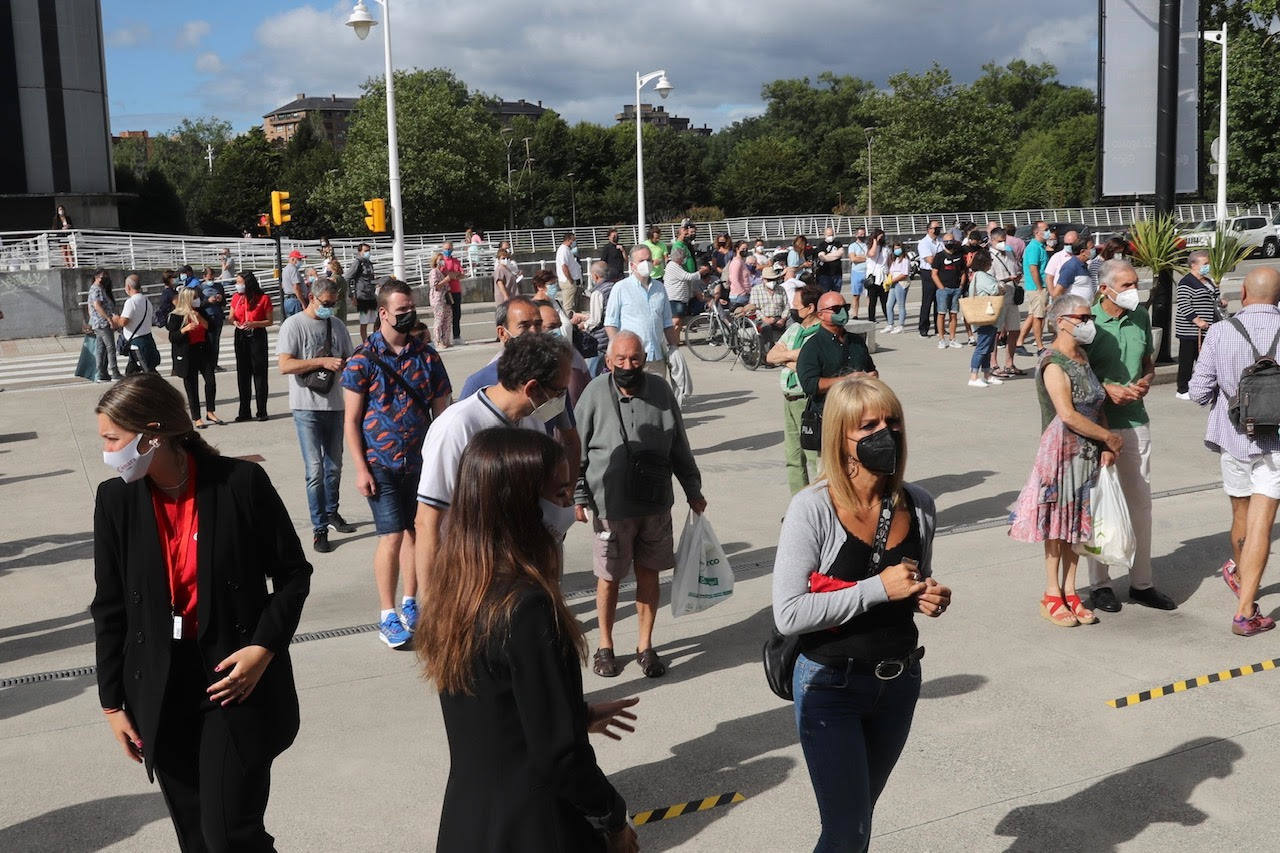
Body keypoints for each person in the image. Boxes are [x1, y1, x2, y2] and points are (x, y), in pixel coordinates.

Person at [91, 373, 311, 851]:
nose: (106, 451)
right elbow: (109, 608)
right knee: (195, 837)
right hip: (160, 686)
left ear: (152, 434)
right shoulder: (115, 500)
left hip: (232, 679)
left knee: (230, 835)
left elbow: (294, 575)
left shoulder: (239, 484)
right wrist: (112, 704)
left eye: (113, 438)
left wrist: (263, 648)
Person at [418, 427, 639, 852]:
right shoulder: (527, 606)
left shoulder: (456, 590)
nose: (566, 509)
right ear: (518, 505)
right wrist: (613, 819)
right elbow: (560, 757)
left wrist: (575, 713)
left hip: (470, 822)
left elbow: (494, 711)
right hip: (535, 828)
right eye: (558, 495)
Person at [773, 377, 951, 851]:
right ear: (840, 439)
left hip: (899, 684)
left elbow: (911, 583)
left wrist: (925, 595)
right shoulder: (812, 509)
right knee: (847, 829)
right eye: (868, 426)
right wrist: (877, 588)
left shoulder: (921, 504)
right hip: (830, 685)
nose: (884, 434)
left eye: (891, 422)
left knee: (856, 822)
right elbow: (789, 613)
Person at [574, 331, 706, 679]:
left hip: (656, 503)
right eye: (621, 360)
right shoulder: (594, 393)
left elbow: (679, 443)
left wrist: (693, 488)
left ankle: (645, 646)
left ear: (645, 359)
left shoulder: (661, 390)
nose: (628, 366)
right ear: (608, 361)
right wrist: (578, 495)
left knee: (649, 573)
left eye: (635, 359)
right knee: (609, 578)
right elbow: (576, 451)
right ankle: (605, 646)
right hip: (610, 507)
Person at [415, 333, 572, 606]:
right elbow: (428, 522)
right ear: (533, 388)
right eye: (559, 391)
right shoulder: (457, 427)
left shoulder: (531, 423)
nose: (562, 399)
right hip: (471, 584)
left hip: (519, 580)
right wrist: (432, 604)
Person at [343, 278, 452, 649]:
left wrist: (443, 460)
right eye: (401, 310)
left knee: (417, 533)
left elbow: (443, 411)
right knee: (391, 535)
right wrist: (360, 468)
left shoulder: (427, 356)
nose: (408, 315)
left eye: (411, 309)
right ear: (384, 313)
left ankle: (411, 602)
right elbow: (351, 421)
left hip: (421, 465)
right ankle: (387, 614)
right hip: (381, 464)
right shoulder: (362, 360)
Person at [1010, 295, 1119, 626]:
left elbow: (1097, 404)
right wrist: (1108, 438)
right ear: (1061, 321)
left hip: (1086, 452)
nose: (1089, 323)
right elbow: (1068, 414)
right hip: (1060, 453)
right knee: (1057, 525)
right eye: (1082, 317)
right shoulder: (1053, 362)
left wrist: (1105, 441)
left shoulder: (1082, 356)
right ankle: (1051, 593)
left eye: (1090, 317)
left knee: (1077, 525)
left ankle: (1072, 591)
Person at [1189, 267, 1280, 636]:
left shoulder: (1220, 332)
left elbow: (1197, 392)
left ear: (1243, 293)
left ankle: (1241, 577)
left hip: (1234, 437)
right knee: (1263, 524)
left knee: (1241, 514)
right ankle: (1245, 613)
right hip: (1276, 443)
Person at [1085, 259, 1177, 612]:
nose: (1132, 290)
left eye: (1134, 283)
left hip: (1136, 420)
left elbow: (1149, 365)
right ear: (1105, 288)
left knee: (1140, 505)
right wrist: (1106, 389)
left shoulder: (1140, 316)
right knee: (1100, 505)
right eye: (1125, 285)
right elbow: (1076, 374)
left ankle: (1142, 583)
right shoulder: (1088, 322)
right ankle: (1101, 584)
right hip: (1099, 425)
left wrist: (1146, 381)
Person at [458, 296, 583, 479]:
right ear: (502, 333)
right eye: (524, 326)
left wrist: (569, 490)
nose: (533, 333)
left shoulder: (553, 378)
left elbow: (570, 440)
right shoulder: (478, 383)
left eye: (538, 325)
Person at [277, 278, 357, 553]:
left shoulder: (337, 325)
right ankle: (319, 528)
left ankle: (332, 512)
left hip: (335, 405)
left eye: (334, 304)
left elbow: (351, 359)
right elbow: (284, 365)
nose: (331, 309)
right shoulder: (294, 325)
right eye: (326, 304)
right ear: (312, 297)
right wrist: (321, 361)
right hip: (306, 407)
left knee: (334, 468)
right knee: (315, 471)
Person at [796, 292, 879, 448]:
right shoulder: (812, 347)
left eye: (845, 307)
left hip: (860, 415)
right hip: (829, 417)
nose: (843, 312)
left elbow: (871, 369)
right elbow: (809, 384)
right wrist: (847, 380)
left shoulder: (857, 341)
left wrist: (872, 376)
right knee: (831, 469)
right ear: (820, 314)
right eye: (836, 308)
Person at [768, 283, 825, 493]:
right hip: (789, 399)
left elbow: (811, 365)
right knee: (793, 457)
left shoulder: (821, 334)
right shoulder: (794, 329)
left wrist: (788, 358)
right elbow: (770, 356)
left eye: (796, 306)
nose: (793, 310)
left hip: (808, 401)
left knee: (814, 457)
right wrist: (795, 357)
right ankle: (798, 506)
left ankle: (821, 504)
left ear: (810, 308)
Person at [605, 244, 679, 377]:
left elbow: (667, 323)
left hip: (656, 358)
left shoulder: (660, 288)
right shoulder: (621, 288)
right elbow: (611, 324)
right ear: (632, 265)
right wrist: (617, 352)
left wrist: (674, 349)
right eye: (641, 261)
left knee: (656, 396)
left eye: (649, 260)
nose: (646, 264)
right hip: (631, 359)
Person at [166, 287, 221, 429]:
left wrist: (200, 317)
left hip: (203, 350)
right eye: (195, 297)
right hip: (187, 353)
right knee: (192, 386)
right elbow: (173, 337)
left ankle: (210, 411)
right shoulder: (176, 315)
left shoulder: (200, 311)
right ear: (187, 299)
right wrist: (184, 329)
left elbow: (211, 327)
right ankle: (196, 418)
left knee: (210, 381)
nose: (197, 299)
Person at [1175, 250, 1225, 400]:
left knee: (1205, 359)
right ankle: (1182, 389)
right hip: (1191, 330)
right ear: (1193, 265)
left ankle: (1205, 386)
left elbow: (1215, 298)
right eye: (1205, 264)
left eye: (1208, 264)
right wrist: (1197, 320)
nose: (1207, 267)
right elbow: (1184, 304)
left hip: (1208, 329)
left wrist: (1221, 303)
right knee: (1187, 359)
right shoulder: (1186, 282)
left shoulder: (1208, 281)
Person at [230, 271, 274, 423]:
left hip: (257, 335)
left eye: (240, 282)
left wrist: (255, 323)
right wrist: (234, 321)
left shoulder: (263, 298)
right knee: (243, 373)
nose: (238, 285)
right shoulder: (237, 297)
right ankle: (244, 411)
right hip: (241, 334)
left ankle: (262, 410)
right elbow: (232, 316)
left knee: (259, 372)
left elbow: (270, 321)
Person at [965, 248, 1005, 388]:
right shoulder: (981, 275)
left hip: (988, 316)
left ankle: (987, 375)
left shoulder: (979, 275)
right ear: (985, 262)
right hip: (985, 315)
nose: (991, 262)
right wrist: (1001, 286)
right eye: (990, 260)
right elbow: (993, 289)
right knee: (982, 347)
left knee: (988, 347)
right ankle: (973, 376)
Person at [988, 228, 1024, 378]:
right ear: (993, 241)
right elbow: (989, 280)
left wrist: (1016, 277)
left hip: (1011, 296)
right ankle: (993, 364)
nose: (1003, 244)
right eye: (999, 241)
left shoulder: (1010, 253)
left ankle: (1009, 363)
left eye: (1004, 241)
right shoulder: (989, 256)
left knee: (1015, 330)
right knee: (995, 333)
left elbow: (1016, 269)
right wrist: (1008, 279)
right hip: (997, 298)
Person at [112, 274, 161, 373]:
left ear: (128, 287)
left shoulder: (131, 302)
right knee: (131, 372)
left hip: (137, 344)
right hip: (147, 340)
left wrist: (116, 319)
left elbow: (123, 322)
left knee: (149, 373)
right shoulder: (147, 301)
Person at [1017, 221, 1051, 355]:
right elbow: (1033, 269)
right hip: (1037, 288)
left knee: (1032, 316)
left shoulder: (1040, 246)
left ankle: (1019, 342)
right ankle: (1039, 346)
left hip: (1038, 287)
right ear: (1037, 232)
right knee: (1039, 317)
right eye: (1046, 229)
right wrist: (1040, 288)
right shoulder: (1034, 248)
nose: (1048, 231)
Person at [931, 239, 968, 349]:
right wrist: (941, 288)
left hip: (956, 289)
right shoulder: (939, 256)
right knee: (941, 314)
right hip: (944, 289)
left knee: (953, 314)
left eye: (951, 240)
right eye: (946, 241)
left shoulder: (959, 255)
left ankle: (952, 338)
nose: (949, 242)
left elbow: (963, 272)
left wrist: (961, 285)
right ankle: (941, 339)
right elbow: (934, 274)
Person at [87, 269, 123, 382]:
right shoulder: (96, 289)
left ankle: (101, 373)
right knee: (110, 347)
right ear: (96, 277)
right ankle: (114, 371)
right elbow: (97, 306)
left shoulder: (98, 288)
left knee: (101, 348)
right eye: (103, 277)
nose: (105, 279)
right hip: (102, 323)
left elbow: (90, 308)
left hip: (99, 322)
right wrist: (108, 319)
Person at [584, 260, 617, 376]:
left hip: (600, 341)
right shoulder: (615, 288)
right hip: (615, 336)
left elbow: (595, 320)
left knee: (593, 374)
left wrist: (583, 325)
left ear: (595, 276)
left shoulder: (597, 292)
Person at [747, 262, 788, 349]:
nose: (772, 282)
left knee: (793, 325)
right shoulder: (756, 290)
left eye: (773, 280)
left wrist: (783, 319)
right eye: (769, 280)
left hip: (779, 317)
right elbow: (755, 308)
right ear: (763, 279)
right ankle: (767, 353)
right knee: (766, 327)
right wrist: (765, 319)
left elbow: (786, 306)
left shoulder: (781, 289)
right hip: (762, 319)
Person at [665, 245, 706, 330]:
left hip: (680, 298)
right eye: (684, 257)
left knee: (680, 321)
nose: (685, 259)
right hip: (675, 298)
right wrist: (700, 272)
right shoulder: (673, 266)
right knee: (676, 320)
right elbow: (687, 277)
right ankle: (671, 339)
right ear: (679, 258)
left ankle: (676, 340)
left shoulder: (677, 266)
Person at [916, 220, 944, 336]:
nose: (937, 229)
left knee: (939, 301)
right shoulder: (924, 243)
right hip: (928, 272)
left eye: (939, 227)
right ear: (929, 229)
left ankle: (939, 328)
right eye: (935, 228)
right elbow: (930, 260)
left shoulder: (940, 241)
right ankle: (923, 327)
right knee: (927, 301)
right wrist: (942, 261)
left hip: (940, 272)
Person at [199, 266, 227, 372]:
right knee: (208, 342)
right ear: (204, 277)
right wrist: (208, 301)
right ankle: (207, 364)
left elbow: (224, 302)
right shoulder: (200, 288)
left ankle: (214, 364)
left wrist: (220, 299)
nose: (211, 280)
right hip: (206, 317)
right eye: (209, 278)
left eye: (213, 277)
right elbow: (198, 304)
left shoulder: (219, 286)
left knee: (215, 342)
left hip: (217, 317)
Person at [348, 242, 378, 342]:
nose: (368, 253)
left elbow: (371, 278)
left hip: (371, 295)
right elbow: (348, 277)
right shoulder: (357, 262)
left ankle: (376, 340)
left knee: (376, 321)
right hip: (362, 296)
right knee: (364, 322)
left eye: (369, 251)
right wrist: (352, 295)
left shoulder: (369, 263)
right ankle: (365, 343)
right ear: (360, 252)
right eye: (365, 251)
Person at [1052, 237, 1095, 303]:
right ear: (1082, 252)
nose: (1094, 250)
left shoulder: (1084, 265)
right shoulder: (1071, 266)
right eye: (1092, 248)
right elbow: (1057, 293)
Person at [882, 243, 911, 334]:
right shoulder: (895, 260)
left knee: (901, 305)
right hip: (893, 283)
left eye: (898, 248)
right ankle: (890, 324)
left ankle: (900, 325)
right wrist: (888, 280)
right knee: (889, 305)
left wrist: (893, 280)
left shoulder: (905, 260)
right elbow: (891, 271)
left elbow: (904, 274)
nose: (896, 250)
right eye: (895, 248)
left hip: (901, 283)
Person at [429, 250, 454, 349]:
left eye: (442, 260)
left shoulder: (442, 272)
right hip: (438, 299)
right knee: (439, 320)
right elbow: (435, 286)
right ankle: (438, 341)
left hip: (445, 298)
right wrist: (446, 280)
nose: (442, 261)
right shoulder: (434, 272)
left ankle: (446, 340)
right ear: (435, 261)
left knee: (447, 319)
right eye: (440, 260)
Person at [440, 241, 465, 343]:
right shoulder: (441, 261)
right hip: (445, 291)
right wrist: (453, 275)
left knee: (457, 314)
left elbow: (462, 274)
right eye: (446, 249)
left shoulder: (456, 261)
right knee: (444, 315)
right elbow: (442, 274)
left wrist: (452, 275)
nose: (448, 251)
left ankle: (456, 336)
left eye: (450, 249)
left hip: (456, 291)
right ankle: (442, 338)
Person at [863, 229, 889, 324]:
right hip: (873, 277)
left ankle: (888, 317)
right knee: (872, 300)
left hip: (883, 276)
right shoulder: (868, 247)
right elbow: (872, 254)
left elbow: (888, 261)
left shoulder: (885, 248)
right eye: (879, 236)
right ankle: (871, 318)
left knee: (885, 300)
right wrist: (875, 241)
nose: (881, 239)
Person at [556, 231, 582, 313]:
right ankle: (568, 323)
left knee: (573, 304)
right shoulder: (563, 250)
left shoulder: (567, 250)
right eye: (574, 239)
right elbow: (564, 267)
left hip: (571, 280)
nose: (574, 242)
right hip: (568, 282)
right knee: (568, 306)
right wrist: (570, 279)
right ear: (569, 239)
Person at [816, 226, 845, 295]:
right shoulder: (821, 245)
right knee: (824, 294)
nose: (831, 237)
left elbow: (840, 253)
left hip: (837, 274)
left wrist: (827, 256)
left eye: (832, 235)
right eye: (829, 235)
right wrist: (835, 255)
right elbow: (822, 258)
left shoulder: (838, 243)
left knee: (836, 295)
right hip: (824, 274)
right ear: (825, 235)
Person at [847, 227, 869, 314]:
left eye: (863, 234)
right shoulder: (852, 246)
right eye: (860, 234)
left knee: (869, 295)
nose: (862, 236)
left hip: (867, 272)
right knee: (856, 295)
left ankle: (871, 315)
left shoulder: (868, 245)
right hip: (857, 272)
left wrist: (859, 256)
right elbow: (853, 259)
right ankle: (855, 315)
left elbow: (870, 256)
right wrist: (865, 258)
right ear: (856, 235)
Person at [724, 240, 752, 308]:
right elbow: (734, 279)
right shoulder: (737, 262)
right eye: (743, 249)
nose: (745, 251)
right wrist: (742, 292)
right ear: (737, 249)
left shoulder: (741, 261)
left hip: (744, 293)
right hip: (739, 295)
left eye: (746, 249)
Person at [282, 249, 306, 318]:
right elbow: (296, 288)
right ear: (293, 259)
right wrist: (303, 303)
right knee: (299, 322)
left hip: (288, 300)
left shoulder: (285, 269)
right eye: (299, 259)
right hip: (294, 300)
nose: (300, 261)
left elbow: (283, 286)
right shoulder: (293, 269)